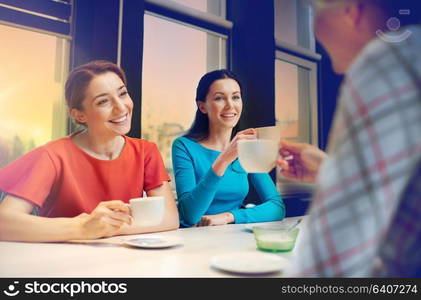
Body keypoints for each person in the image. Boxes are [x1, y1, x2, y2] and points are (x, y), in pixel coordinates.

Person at [277, 0, 421, 276]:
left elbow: (330, 266)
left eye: (313, 10)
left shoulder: (390, 59)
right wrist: (329, 169)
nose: (313, 27)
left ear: (350, 10)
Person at [0, 60, 179, 242]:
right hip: (61, 263)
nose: (121, 107)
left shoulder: (145, 151)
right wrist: (82, 228)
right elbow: (4, 223)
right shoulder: (53, 156)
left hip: (123, 260)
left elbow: (170, 218)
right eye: (103, 101)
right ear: (79, 115)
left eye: (122, 93)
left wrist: (107, 228)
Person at [172, 70, 285, 227]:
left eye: (235, 97)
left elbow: (277, 208)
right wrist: (224, 159)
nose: (230, 105)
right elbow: (190, 215)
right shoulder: (184, 146)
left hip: (231, 237)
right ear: (202, 106)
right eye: (219, 98)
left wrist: (229, 216)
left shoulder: (247, 149)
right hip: (193, 240)